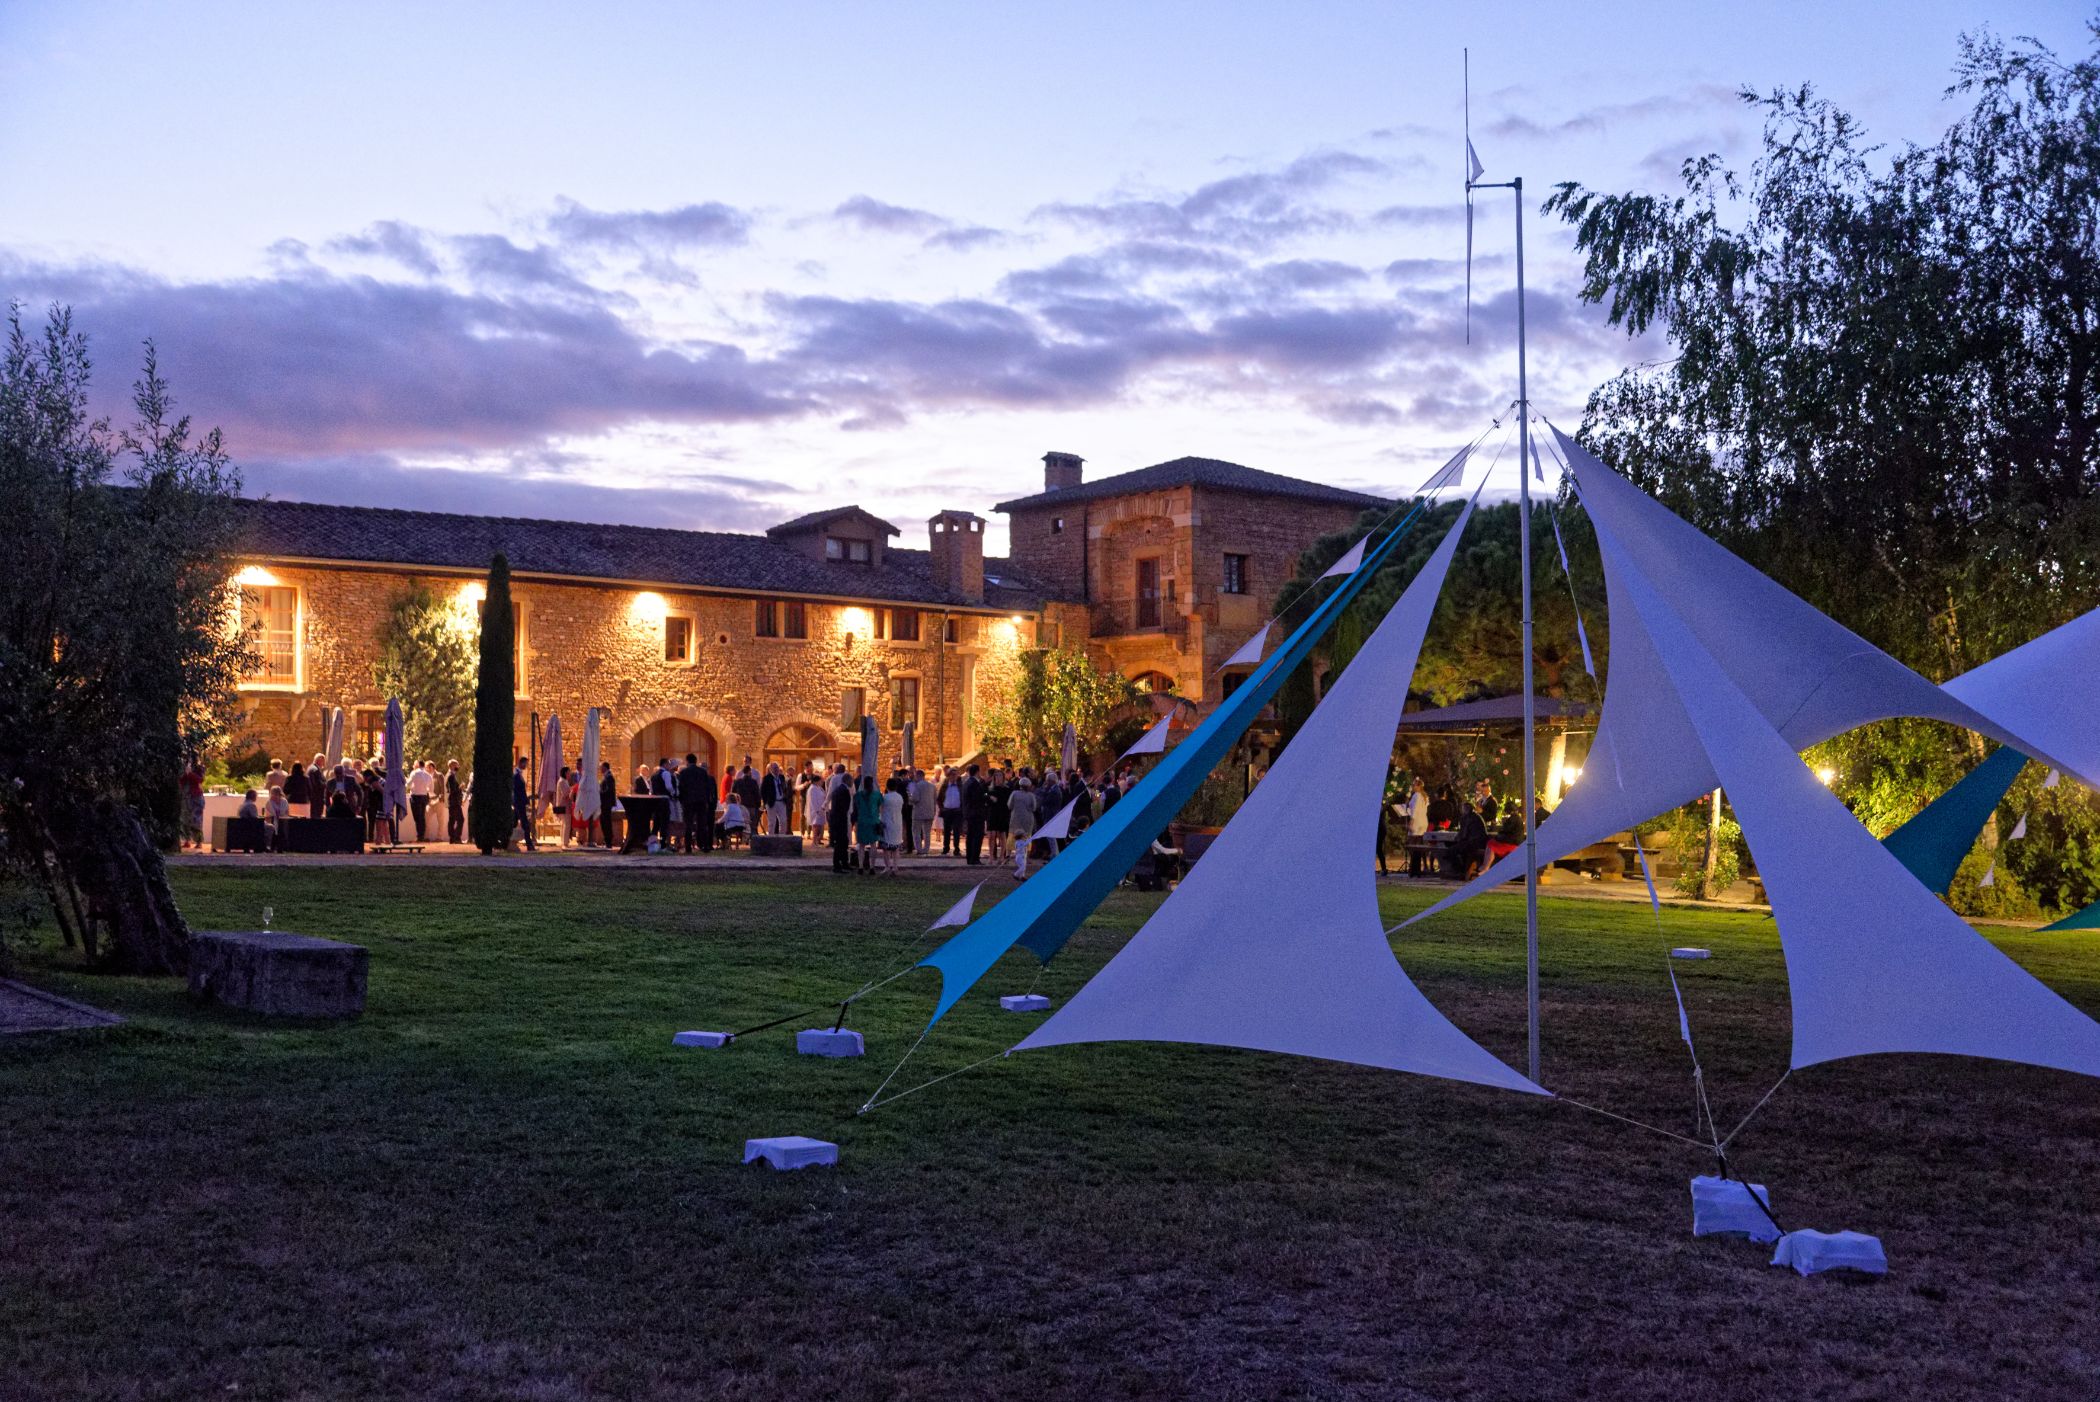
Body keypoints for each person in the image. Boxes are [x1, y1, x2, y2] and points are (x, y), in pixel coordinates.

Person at [676, 753, 711, 854]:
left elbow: (681, 787)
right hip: (701, 801)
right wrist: (706, 800)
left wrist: (681, 800)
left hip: (688, 801)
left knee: (688, 824)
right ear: (696, 761)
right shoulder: (702, 772)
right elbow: (707, 787)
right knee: (702, 824)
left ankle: (688, 847)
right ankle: (705, 846)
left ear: (687, 761)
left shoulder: (684, 773)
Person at [1450, 799, 1488, 880]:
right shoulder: (1477, 816)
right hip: (1479, 842)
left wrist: (1457, 838)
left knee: (1452, 850)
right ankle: (1463, 871)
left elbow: (1464, 834)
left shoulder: (1467, 818)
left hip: (1473, 843)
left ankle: (1461, 872)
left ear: (1465, 810)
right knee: (1459, 850)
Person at [853, 773, 883, 874]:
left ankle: (861, 866)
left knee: (861, 845)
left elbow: (856, 807)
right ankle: (872, 867)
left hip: (862, 821)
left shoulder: (858, 795)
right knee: (873, 844)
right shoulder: (877, 795)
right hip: (873, 821)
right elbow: (880, 807)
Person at [1008, 776, 1038, 880]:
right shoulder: (1031, 795)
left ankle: (1009, 856)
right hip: (1028, 820)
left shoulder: (1014, 794)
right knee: (1026, 838)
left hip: (1016, 818)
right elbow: (1034, 807)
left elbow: (1009, 805)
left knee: (1014, 837)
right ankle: (1025, 858)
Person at [827, 765, 853, 873]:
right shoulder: (844, 791)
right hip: (840, 820)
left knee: (843, 842)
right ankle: (837, 865)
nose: (852, 784)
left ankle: (844, 862)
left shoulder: (837, 790)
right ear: (847, 781)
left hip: (836, 820)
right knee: (840, 843)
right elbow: (844, 807)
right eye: (851, 781)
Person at [961, 763, 988, 866]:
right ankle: (975, 858)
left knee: (971, 836)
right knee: (977, 836)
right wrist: (986, 796)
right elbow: (978, 798)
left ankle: (970, 858)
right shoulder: (975, 784)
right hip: (976, 813)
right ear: (977, 772)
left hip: (969, 813)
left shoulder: (967, 783)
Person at [1405, 776, 1431, 877]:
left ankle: (1414, 870)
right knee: (1418, 846)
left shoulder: (1416, 796)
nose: (1412, 786)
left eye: (1414, 785)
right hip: (1423, 822)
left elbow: (1415, 810)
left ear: (1418, 786)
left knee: (1413, 846)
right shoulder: (1424, 796)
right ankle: (1416, 869)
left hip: (1416, 823)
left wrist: (1411, 822)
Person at [879, 778, 904, 876]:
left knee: (886, 848)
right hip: (897, 822)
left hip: (887, 822)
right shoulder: (900, 797)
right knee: (896, 847)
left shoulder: (885, 798)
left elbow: (881, 810)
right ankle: (895, 866)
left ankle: (887, 866)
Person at [511, 755, 537, 851]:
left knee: (514, 822)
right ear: (521, 763)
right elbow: (517, 790)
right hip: (518, 802)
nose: (526, 765)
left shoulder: (518, 773)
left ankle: (507, 840)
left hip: (519, 802)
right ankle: (529, 845)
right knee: (525, 823)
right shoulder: (516, 774)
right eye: (526, 763)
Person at [986, 770, 1011, 863]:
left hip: (1002, 813)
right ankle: (991, 856)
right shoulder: (990, 788)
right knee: (991, 835)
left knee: (1002, 835)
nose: (998, 777)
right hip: (992, 813)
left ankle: (1001, 856)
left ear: (1003, 777)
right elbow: (984, 795)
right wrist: (989, 797)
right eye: (996, 775)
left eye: (1000, 776)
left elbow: (1008, 802)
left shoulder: (1007, 789)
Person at [909, 768, 936, 854]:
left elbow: (916, 798)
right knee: (927, 832)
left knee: (916, 831)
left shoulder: (917, 786)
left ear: (918, 776)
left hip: (919, 812)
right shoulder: (932, 786)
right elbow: (935, 799)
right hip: (930, 811)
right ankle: (926, 849)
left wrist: (910, 798)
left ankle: (919, 849)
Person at [180, 761, 206, 850]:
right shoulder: (182, 765)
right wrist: (185, 774)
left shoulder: (198, 766)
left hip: (196, 797)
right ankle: (187, 840)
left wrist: (190, 773)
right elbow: (181, 781)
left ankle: (199, 842)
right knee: (185, 819)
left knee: (196, 820)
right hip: (187, 796)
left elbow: (200, 779)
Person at [408, 758, 435, 841]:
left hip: (415, 797)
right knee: (422, 816)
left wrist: (412, 787)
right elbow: (431, 789)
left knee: (416, 817)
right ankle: (421, 836)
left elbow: (408, 784)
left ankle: (419, 836)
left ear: (418, 765)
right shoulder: (428, 775)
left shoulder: (414, 773)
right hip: (424, 797)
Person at [939, 770, 964, 856]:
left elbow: (963, 798)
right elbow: (939, 798)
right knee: (946, 831)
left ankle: (956, 848)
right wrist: (942, 808)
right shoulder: (945, 786)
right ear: (948, 776)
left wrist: (961, 808)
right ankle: (946, 848)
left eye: (955, 775)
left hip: (957, 811)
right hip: (947, 811)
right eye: (951, 775)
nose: (953, 777)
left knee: (957, 831)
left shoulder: (960, 786)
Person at [761, 763, 789, 836]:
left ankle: (782, 837)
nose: (776, 769)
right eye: (774, 768)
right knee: (772, 822)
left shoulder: (781, 777)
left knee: (783, 821)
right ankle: (771, 837)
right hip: (771, 802)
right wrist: (765, 802)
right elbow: (762, 791)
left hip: (781, 801)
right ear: (770, 769)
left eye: (777, 768)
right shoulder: (767, 778)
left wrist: (785, 796)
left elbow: (785, 788)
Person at [264, 784, 290, 850]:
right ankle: (273, 846)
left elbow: (285, 812)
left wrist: (281, 816)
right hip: (271, 820)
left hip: (282, 820)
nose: (274, 796)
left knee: (282, 825)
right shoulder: (269, 802)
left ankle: (282, 846)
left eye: (276, 794)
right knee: (275, 825)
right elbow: (271, 813)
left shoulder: (284, 801)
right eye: (273, 794)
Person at [445, 760, 466, 844]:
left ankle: (452, 838)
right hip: (454, 801)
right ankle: (457, 837)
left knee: (452, 820)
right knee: (460, 819)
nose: (458, 767)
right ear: (452, 765)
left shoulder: (449, 775)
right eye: (457, 765)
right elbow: (453, 790)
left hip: (451, 801)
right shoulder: (451, 776)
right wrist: (460, 787)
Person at [803, 765, 826, 837]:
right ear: (817, 781)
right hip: (815, 810)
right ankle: (814, 841)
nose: (822, 782)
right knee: (815, 825)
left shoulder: (818, 788)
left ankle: (816, 840)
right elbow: (812, 801)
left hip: (820, 808)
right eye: (820, 781)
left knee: (818, 825)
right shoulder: (812, 789)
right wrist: (817, 810)